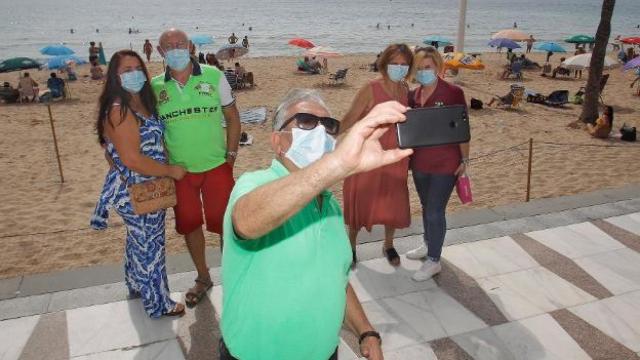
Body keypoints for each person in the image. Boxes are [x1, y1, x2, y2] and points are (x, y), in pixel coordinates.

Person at [221, 89, 400, 360]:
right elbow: (247, 220)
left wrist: (365, 331)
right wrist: (336, 164)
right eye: (305, 121)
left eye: (329, 126)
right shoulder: (254, 183)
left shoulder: (330, 206)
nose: (320, 132)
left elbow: (335, 278)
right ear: (277, 142)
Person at [90, 49, 186, 318]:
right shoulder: (120, 109)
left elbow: (112, 151)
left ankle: (135, 284)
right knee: (151, 246)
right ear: (115, 77)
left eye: (137, 69)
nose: (134, 74)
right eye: (126, 70)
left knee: (139, 242)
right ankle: (159, 303)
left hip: (145, 187)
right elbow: (132, 159)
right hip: (138, 190)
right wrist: (170, 171)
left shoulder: (139, 103)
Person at [153, 28, 241, 307]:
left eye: (180, 43)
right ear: (160, 52)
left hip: (217, 166)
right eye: (169, 45)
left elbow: (233, 116)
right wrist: (166, 164)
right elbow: (153, 131)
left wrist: (231, 155)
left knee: (225, 225)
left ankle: (232, 275)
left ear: (190, 46)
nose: (175, 48)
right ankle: (203, 277)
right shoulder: (154, 86)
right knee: (190, 225)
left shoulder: (214, 75)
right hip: (180, 172)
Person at [341, 43, 413, 266]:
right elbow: (350, 118)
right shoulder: (370, 88)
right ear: (384, 64)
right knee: (360, 201)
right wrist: (328, 136)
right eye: (394, 63)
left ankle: (388, 244)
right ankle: (351, 247)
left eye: (403, 64)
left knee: (393, 201)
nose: (399, 68)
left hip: (395, 155)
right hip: (368, 154)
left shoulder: (405, 90)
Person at [404, 47, 470, 281]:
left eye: (428, 67)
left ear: (438, 67)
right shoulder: (412, 96)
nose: (423, 72)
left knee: (434, 210)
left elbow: (462, 128)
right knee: (425, 205)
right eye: (419, 68)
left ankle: (434, 260)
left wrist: (465, 160)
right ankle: (427, 243)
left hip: (446, 162)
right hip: (420, 162)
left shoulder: (453, 92)